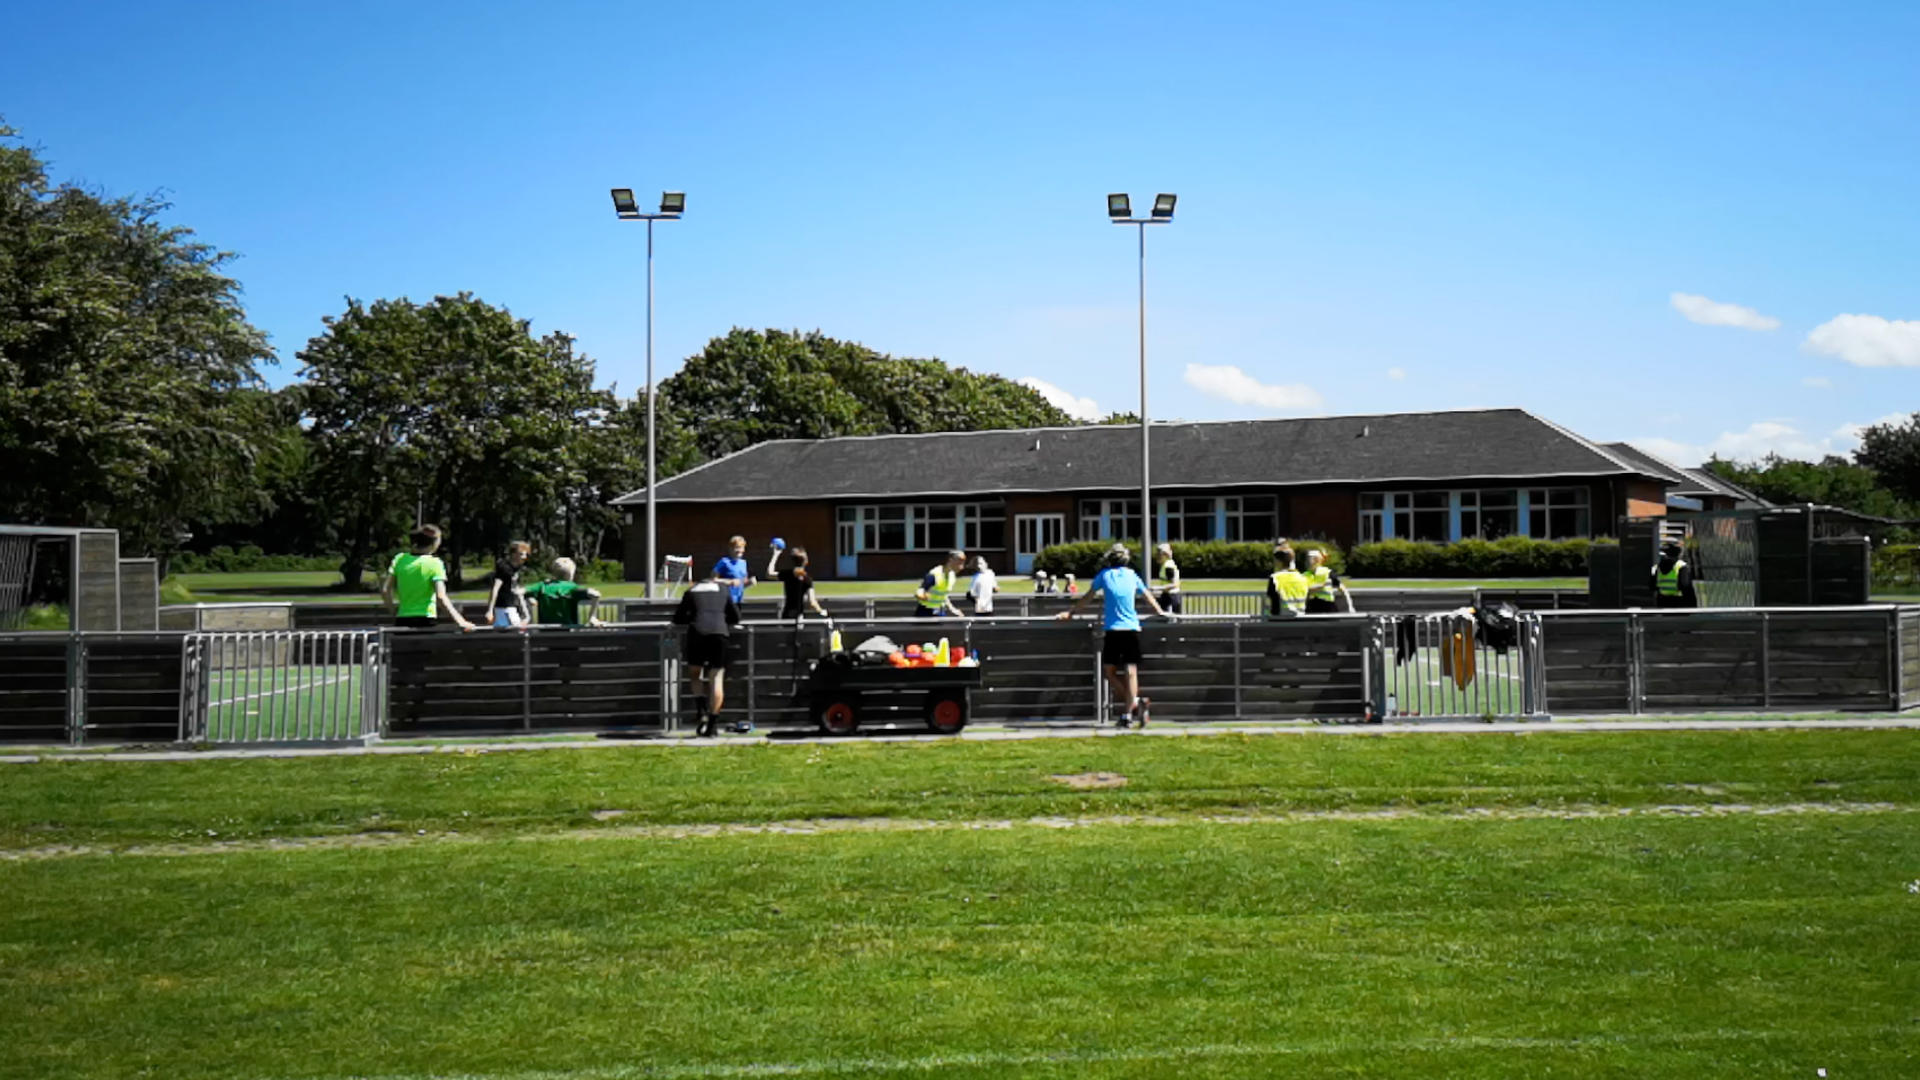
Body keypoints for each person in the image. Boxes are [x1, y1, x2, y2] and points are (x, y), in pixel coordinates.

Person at [1056, 543, 1171, 728]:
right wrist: (1159, 611)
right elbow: (1147, 595)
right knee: (1127, 671)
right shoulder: (1131, 575)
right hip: (1127, 628)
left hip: (1115, 629)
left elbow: (1087, 597)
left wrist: (1070, 613)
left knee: (1114, 672)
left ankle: (1128, 712)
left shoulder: (1105, 575)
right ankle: (1134, 702)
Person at [672, 568, 744, 737]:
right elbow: (735, 616)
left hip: (697, 632)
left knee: (695, 673)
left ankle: (701, 709)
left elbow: (678, 618)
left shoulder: (691, 591)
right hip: (719, 633)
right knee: (716, 677)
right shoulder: (723, 590)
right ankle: (713, 724)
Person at [382, 524, 476, 632]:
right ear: (435, 543)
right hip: (426, 618)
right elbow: (441, 597)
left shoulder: (399, 559)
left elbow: (385, 590)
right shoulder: (435, 563)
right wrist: (460, 621)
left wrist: (393, 610)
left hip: (402, 617)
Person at [528, 557, 604, 627]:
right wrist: (592, 617)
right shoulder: (572, 587)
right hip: (569, 632)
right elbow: (595, 594)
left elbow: (521, 592)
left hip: (544, 634)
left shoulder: (542, 586)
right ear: (571, 574)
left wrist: (530, 600)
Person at [769, 543, 828, 621]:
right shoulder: (807, 579)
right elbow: (812, 602)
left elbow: (769, 574)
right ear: (805, 562)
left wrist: (775, 555)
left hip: (786, 615)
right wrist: (822, 611)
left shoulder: (788, 574)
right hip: (798, 617)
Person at [484, 541, 533, 628]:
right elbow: (495, 588)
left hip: (514, 606)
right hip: (503, 607)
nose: (524, 557)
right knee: (516, 631)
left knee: (520, 630)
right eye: (521, 554)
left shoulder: (518, 569)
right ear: (513, 554)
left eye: (526, 555)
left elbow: (517, 588)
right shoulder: (504, 568)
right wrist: (490, 610)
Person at [916, 549, 968, 618]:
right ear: (951, 560)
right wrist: (921, 595)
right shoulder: (934, 574)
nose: (962, 567)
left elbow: (944, 595)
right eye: (959, 562)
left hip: (940, 611)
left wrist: (952, 609)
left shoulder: (952, 576)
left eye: (963, 563)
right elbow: (920, 590)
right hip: (925, 612)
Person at [1302, 547, 1351, 614]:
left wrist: (1350, 606)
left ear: (1317, 560)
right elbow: (1306, 590)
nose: (1306, 561)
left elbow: (1343, 590)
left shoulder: (1328, 573)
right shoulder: (1304, 575)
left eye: (1309, 558)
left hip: (1328, 607)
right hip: (1311, 607)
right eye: (1306, 558)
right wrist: (1323, 585)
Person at [1266, 544, 1310, 618]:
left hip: (1280, 620)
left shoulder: (1275, 578)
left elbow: (1271, 602)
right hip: (1301, 618)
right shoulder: (1303, 578)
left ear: (1278, 561)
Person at [1652, 540, 1697, 608]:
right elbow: (1686, 587)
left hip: (1662, 603)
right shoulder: (1681, 566)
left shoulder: (1657, 567)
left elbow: (1652, 586)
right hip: (1679, 603)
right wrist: (1693, 605)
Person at [713, 535, 754, 606]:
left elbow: (741, 585)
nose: (740, 550)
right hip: (725, 600)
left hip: (739, 600)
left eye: (742, 547)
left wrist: (749, 583)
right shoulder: (724, 562)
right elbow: (713, 580)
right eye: (737, 547)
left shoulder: (743, 563)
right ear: (730, 548)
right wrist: (730, 582)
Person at [1153, 542, 1183, 615]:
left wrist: (1158, 588)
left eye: (1159, 554)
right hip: (1168, 596)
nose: (1157, 556)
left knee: (1169, 621)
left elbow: (1174, 584)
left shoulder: (1168, 566)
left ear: (1165, 555)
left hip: (1171, 597)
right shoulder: (1166, 564)